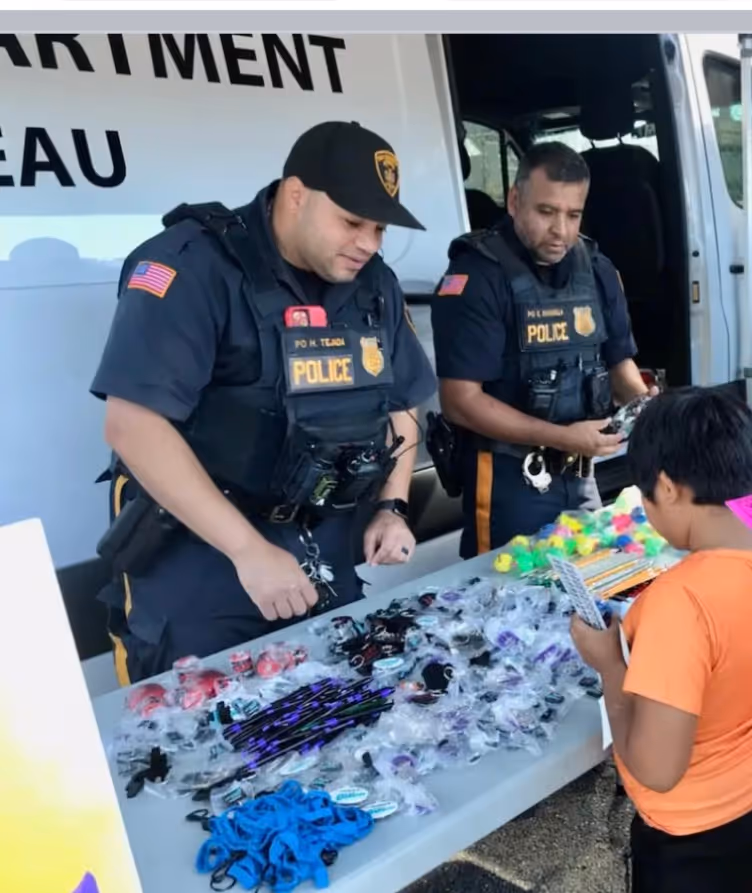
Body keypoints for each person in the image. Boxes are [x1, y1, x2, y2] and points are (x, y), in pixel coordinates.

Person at [90, 120, 437, 685]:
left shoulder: (373, 282)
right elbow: (133, 426)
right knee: (199, 723)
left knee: (338, 706)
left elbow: (400, 400)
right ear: (296, 195)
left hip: (321, 536)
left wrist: (392, 506)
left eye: (379, 227)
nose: (369, 244)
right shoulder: (192, 264)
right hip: (201, 551)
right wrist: (248, 551)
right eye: (352, 222)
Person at [430, 141, 656, 558]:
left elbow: (620, 368)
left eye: (573, 215)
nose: (561, 231)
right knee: (507, 586)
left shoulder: (598, 270)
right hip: (508, 479)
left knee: (588, 578)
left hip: (581, 474)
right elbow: (460, 402)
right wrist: (562, 437)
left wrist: (653, 415)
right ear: (515, 201)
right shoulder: (477, 276)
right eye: (547, 212)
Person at [570, 387, 752, 893]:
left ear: (667, 488)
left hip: (698, 841)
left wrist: (611, 667)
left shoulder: (682, 602)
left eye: (645, 497)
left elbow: (656, 769)